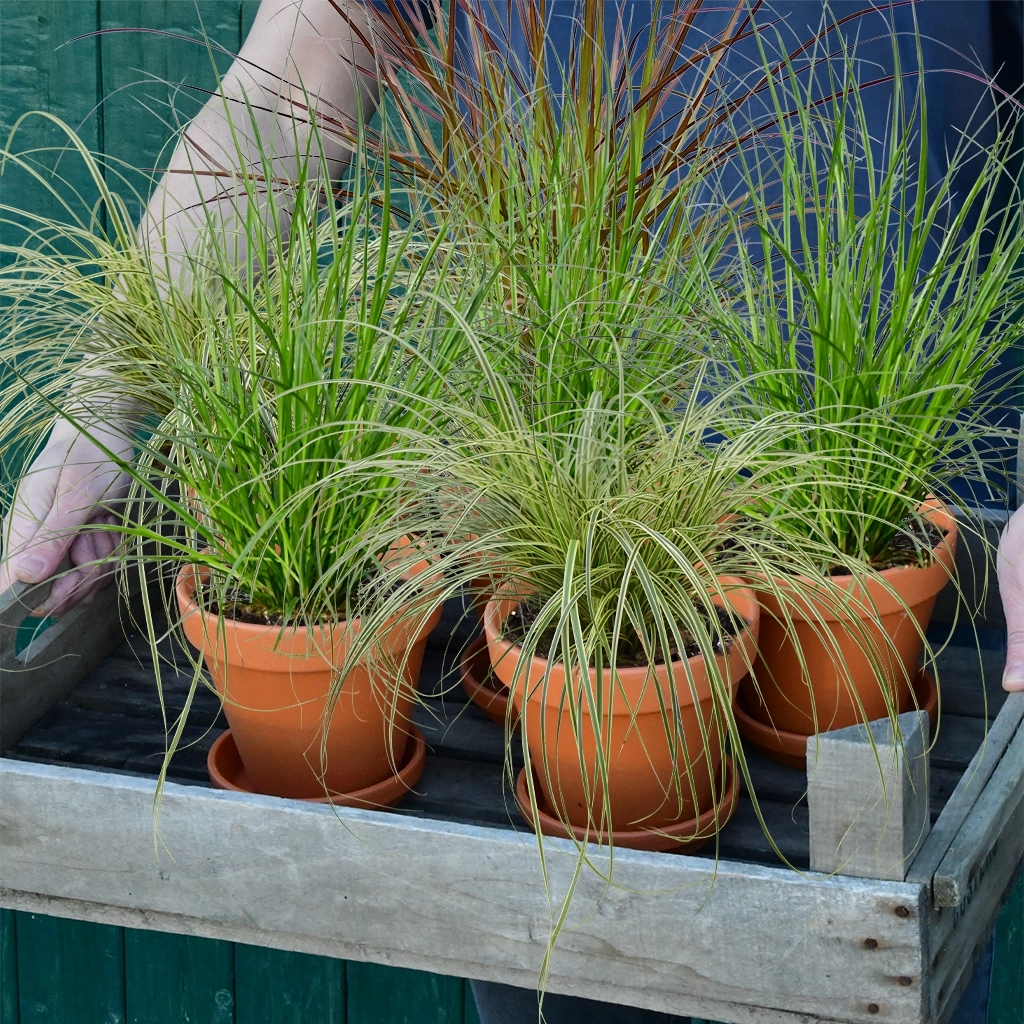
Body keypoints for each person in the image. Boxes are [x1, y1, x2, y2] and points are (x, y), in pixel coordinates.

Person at [0, 1, 1020, 1021]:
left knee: (874, 957)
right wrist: (104, 408)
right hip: (537, 572)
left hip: (907, 572)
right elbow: (292, 82)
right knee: (572, 966)